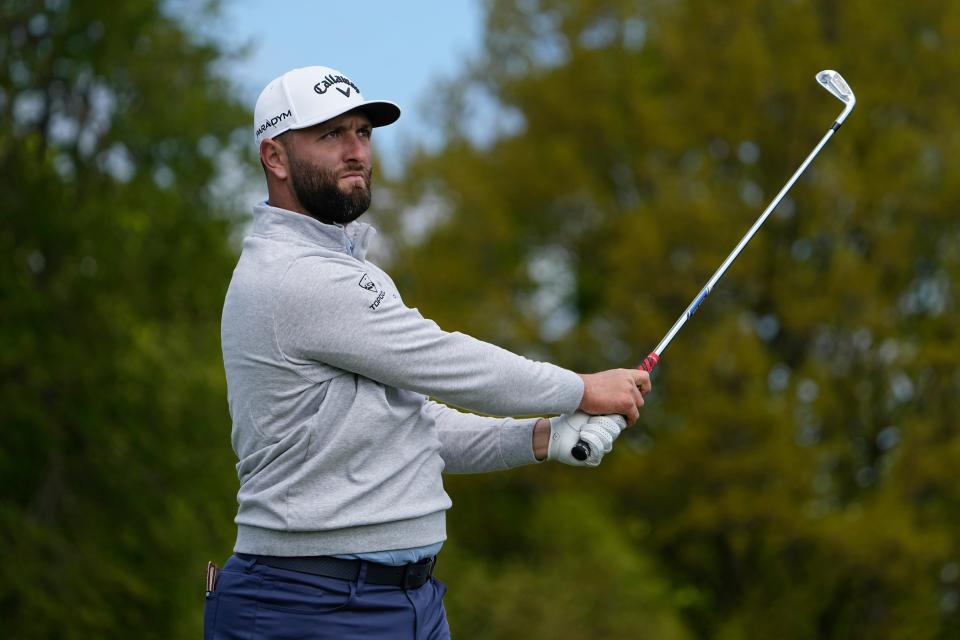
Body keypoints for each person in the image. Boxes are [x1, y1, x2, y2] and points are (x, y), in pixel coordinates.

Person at [206, 65, 651, 640]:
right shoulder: (293, 275)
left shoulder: (354, 273)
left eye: (363, 132)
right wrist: (581, 388)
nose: (356, 151)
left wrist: (540, 437)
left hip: (408, 603)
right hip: (306, 604)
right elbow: (445, 361)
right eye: (331, 135)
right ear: (275, 157)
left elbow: (409, 425)